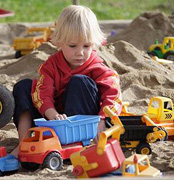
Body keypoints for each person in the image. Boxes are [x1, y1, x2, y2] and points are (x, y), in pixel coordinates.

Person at [11, 5, 122, 158]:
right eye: (72, 46)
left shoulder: (96, 66)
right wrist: (52, 113)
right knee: (23, 86)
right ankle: (25, 142)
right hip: (54, 121)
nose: (80, 52)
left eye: (87, 45)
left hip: (83, 125)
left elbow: (113, 93)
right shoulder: (51, 65)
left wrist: (103, 120)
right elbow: (43, 92)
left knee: (80, 82)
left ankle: (76, 142)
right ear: (60, 42)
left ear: (94, 43)